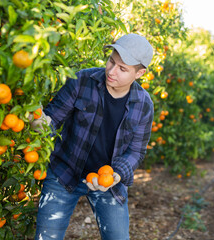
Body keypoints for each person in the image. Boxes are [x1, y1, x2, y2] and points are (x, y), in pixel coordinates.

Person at [33, 33, 154, 240]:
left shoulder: (143, 105)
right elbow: (52, 121)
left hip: (108, 181)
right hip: (65, 171)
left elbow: (136, 151)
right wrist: (38, 121)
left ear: (139, 73)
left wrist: (116, 175)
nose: (111, 71)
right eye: (111, 61)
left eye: (122, 69)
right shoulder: (82, 80)